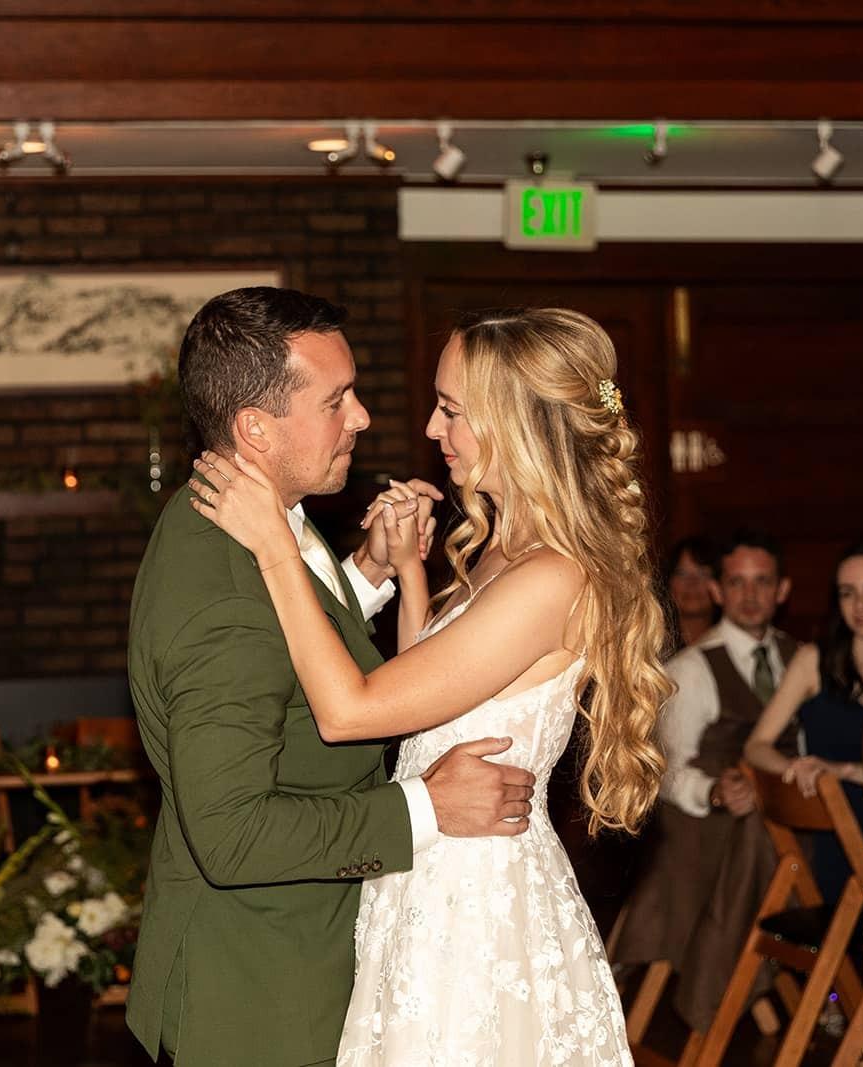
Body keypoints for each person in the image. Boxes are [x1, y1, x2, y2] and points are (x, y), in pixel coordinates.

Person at [190, 306, 670, 1065]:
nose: (430, 428)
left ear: (513, 422)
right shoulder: (508, 550)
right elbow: (425, 707)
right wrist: (410, 574)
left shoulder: (552, 576)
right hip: (431, 874)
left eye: (451, 409)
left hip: (476, 900)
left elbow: (350, 712)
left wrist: (274, 545)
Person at [126, 287, 538, 1067]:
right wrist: (427, 806)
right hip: (260, 999)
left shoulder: (249, 513)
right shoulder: (224, 592)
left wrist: (369, 575)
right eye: (336, 400)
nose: (362, 418)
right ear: (256, 427)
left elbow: (280, 649)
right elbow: (233, 835)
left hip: (279, 970)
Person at [613, 528, 798, 1037]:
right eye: (737, 583)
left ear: (782, 590)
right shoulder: (691, 670)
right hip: (710, 828)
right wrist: (712, 791)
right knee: (749, 848)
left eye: (762, 582)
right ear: (718, 591)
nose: (750, 595)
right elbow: (662, 769)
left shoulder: (799, 658)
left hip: (788, 823)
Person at [743, 537, 863, 902]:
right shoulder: (813, 661)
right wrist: (798, 768)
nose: (861, 604)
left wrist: (848, 771)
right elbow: (756, 747)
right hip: (837, 838)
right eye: (847, 593)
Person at [667, 534, 721, 650]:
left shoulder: (732, 645)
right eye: (682, 573)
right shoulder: (651, 645)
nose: (692, 583)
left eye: (703, 574)